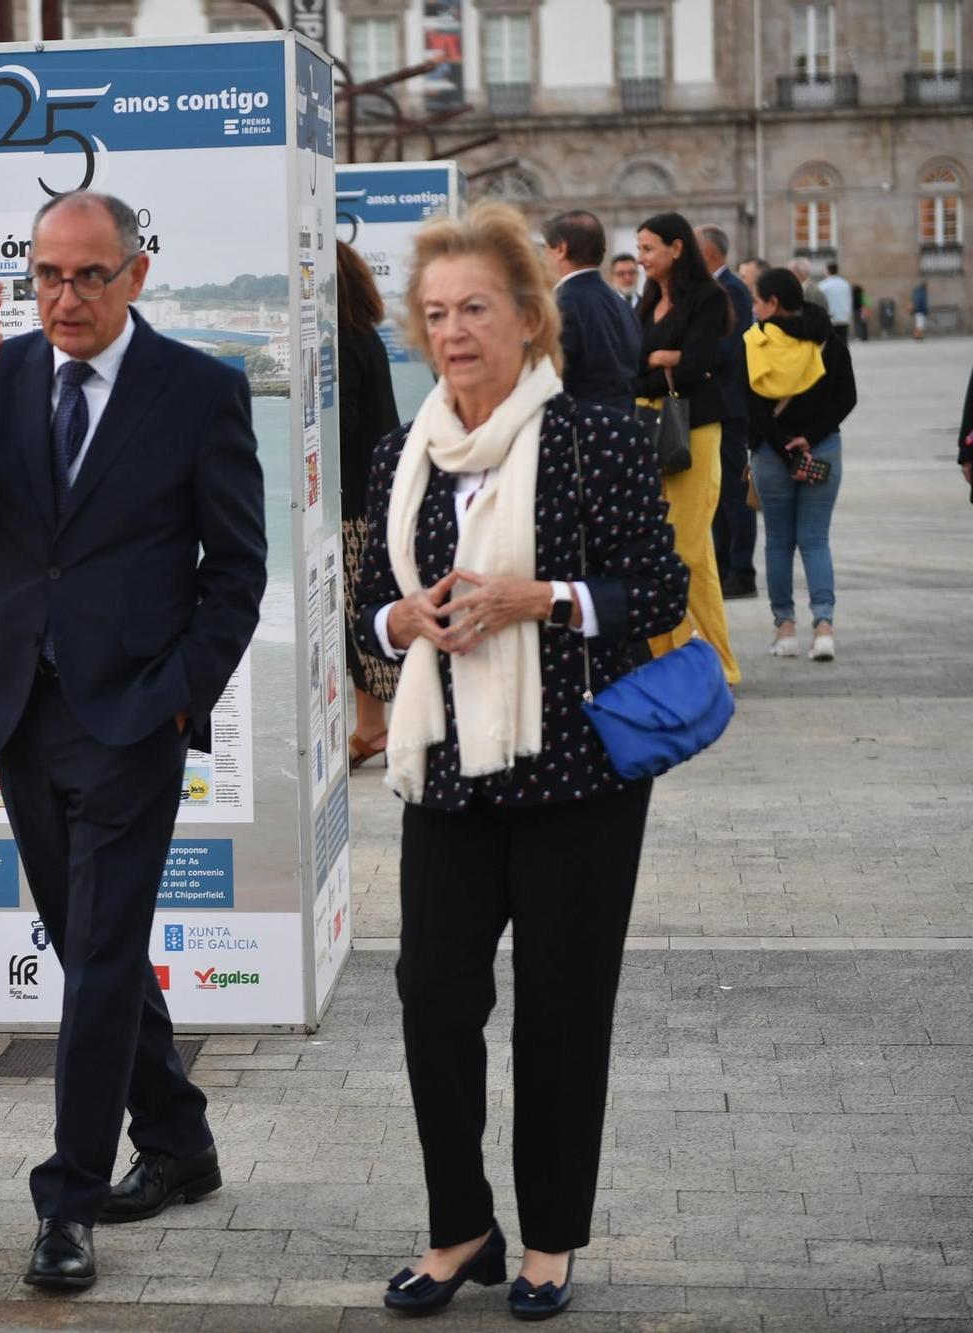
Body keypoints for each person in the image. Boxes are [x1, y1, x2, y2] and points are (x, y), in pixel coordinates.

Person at [0, 190, 266, 1294]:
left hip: (131, 716)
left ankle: (66, 1201)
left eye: (87, 276)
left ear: (135, 275)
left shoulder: (198, 391)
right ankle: (181, 1139)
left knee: (101, 952)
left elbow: (235, 572)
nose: (62, 297)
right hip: (19, 707)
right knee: (82, 939)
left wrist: (176, 696)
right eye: (44, 276)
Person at [352, 201, 688, 1321]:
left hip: (577, 778)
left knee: (558, 1012)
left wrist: (535, 598)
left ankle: (546, 1240)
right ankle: (460, 1227)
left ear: (527, 318)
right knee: (431, 1000)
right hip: (445, 774)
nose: (453, 332)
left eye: (474, 309)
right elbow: (364, 611)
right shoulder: (399, 455)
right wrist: (404, 622)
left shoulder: (594, 435)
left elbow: (658, 591)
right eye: (435, 313)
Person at [634, 210, 742, 686]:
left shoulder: (708, 299)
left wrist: (657, 360)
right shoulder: (649, 297)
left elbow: (699, 365)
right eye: (638, 249)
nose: (641, 259)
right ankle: (678, 653)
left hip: (692, 428)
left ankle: (711, 661)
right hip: (648, 424)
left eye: (648, 249)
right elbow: (633, 364)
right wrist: (659, 359)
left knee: (687, 547)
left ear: (677, 248)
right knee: (667, 547)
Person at [745, 267, 856, 662]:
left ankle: (785, 628)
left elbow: (755, 410)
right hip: (822, 450)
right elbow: (847, 398)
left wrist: (786, 449)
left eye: (756, 300)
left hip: (772, 457)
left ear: (773, 303)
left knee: (778, 541)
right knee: (815, 540)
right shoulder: (827, 340)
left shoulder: (755, 343)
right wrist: (810, 438)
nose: (753, 308)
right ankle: (824, 627)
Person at [335, 239, 403, 766]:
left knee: (358, 612)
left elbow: (346, 426)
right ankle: (371, 725)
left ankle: (374, 727)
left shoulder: (342, 343)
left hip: (353, 502)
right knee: (365, 606)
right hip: (374, 495)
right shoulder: (366, 337)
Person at [698, 225, 759, 600]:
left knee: (735, 494)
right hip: (716, 404)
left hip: (730, 406)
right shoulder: (717, 288)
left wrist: (689, 356)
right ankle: (722, 565)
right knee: (718, 493)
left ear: (706, 254)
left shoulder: (731, 289)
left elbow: (730, 351)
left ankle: (741, 570)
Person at [542, 209, 640, 416]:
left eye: (546, 249)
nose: (545, 257)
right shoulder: (622, 304)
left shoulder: (563, 304)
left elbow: (548, 375)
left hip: (582, 433)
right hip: (625, 426)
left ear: (561, 249)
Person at [819, 260, 853, 344]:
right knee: (843, 342)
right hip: (843, 318)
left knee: (831, 344)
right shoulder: (845, 284)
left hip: (830, 319)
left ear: (827, 271)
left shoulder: (823, 285)